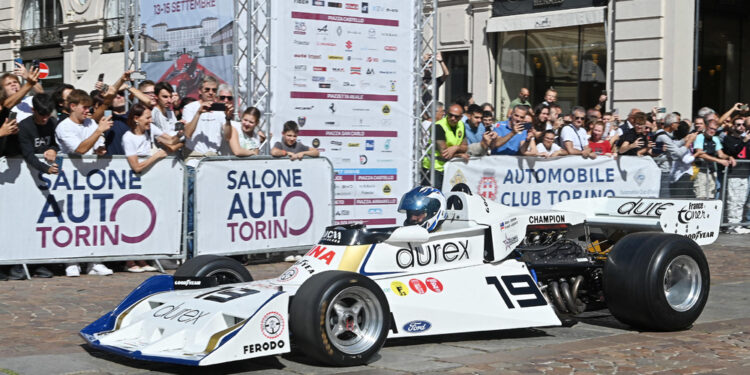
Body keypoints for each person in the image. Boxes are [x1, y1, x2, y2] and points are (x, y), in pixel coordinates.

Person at [53, 89, 114, 277]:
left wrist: (101, 147)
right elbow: (79, 149)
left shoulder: (90, 123)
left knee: (95, 218)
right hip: (70, 179)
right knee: (70, 220)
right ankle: (71, 262)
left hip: (91, 178)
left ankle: (95, 261)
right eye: (85, 107)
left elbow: (95, 145)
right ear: (73, 107)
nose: (88, 111)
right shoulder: (64, 127)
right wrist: (98, 131)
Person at [421, 103, 468, 189]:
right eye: (450, 115)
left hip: (449, 167)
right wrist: (459, 154)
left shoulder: (461, 125)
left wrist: (456, 148)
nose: (453, 118)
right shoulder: (438, 126)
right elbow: (445, 153)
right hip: (434, 168)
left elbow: (465, 147)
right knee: (435, 197)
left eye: (456, 116)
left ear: (461, 117)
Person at [693, 119, 736, 199]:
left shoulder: (715, 139)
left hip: (712, 172)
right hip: (700, 172)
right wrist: (719, 161)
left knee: (711, 198)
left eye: (715, 129)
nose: (712, 131)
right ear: (706, 127)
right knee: (701, 199)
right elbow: (700, 154)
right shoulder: (699, 137)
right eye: (711, 128)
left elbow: (721, 154)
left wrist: (729, 157)